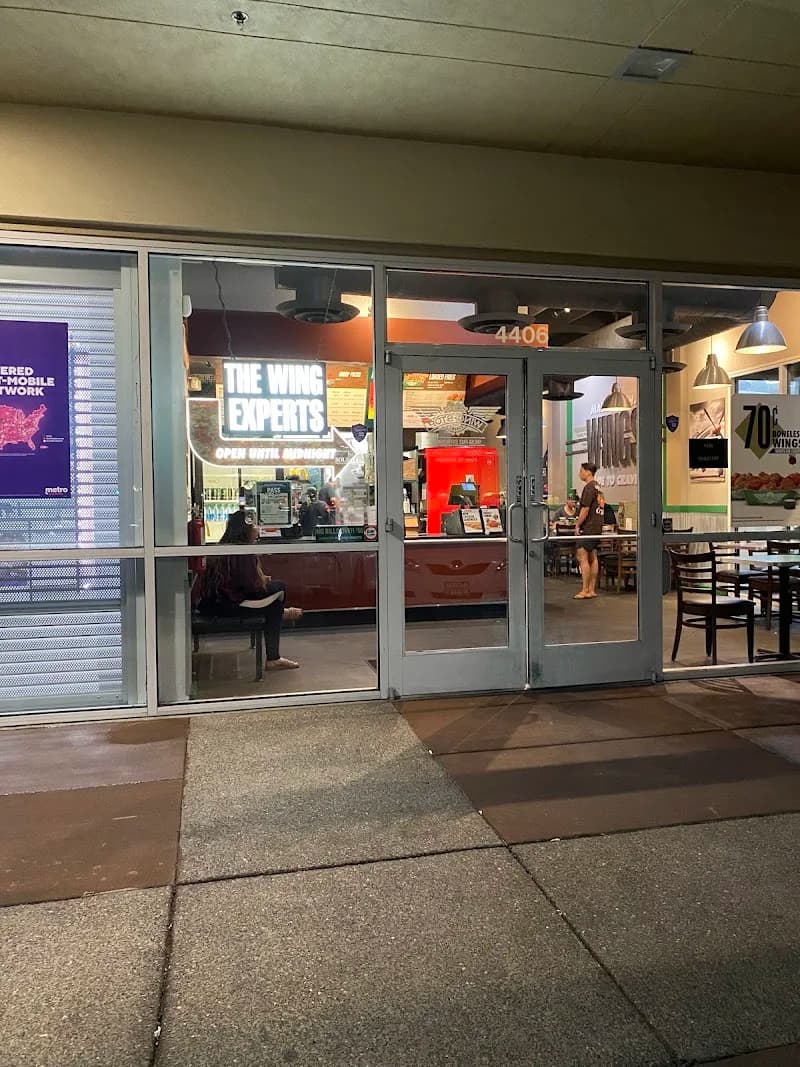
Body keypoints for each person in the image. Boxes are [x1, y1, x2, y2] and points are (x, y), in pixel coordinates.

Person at [199, 509, 302, 670]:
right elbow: (251, 588)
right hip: (228, 605)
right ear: (245, 529)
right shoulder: (242, 551)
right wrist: (263, 583)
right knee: (279, 590)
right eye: (253, 524)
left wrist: (261, 581)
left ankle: (275, 649)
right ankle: (274, 653)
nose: (256, 528)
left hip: (214, 603)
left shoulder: (226, 545)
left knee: (274, 603)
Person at [574, 462, 605, 599]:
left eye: (581, 471)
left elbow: (585, 509)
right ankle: (592, 589)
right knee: (593, 557)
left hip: (589, 527)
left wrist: (578, 525)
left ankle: (585, 589)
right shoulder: (598, 487)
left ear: (587, 472)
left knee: (583, 556)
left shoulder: (588, 488)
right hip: (598, 526)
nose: (580, 473)